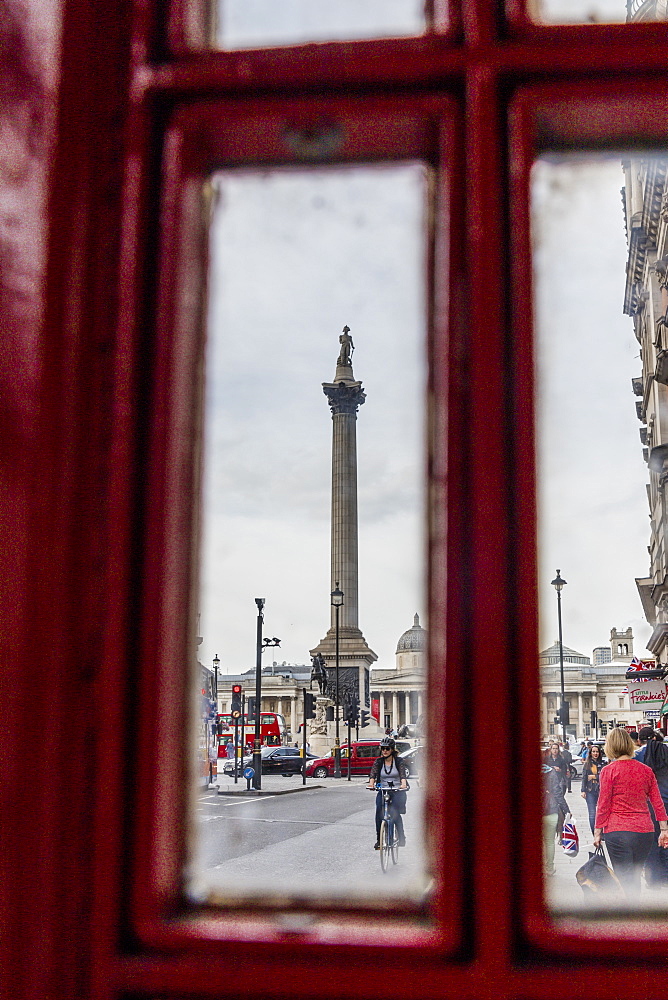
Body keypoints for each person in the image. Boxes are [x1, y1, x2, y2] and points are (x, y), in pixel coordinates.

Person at [593, 727, 668, 895]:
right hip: (643, 831)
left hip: (617, 830)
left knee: (624, 877)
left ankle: (629, 913)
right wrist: (664, 829)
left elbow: (603, 804)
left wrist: (597, 832)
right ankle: (634, 911)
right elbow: (658, 802)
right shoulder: (646, 771)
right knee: (634, 874)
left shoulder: (608, 771)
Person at [635, 726, 668, 886]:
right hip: (666, 801)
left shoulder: (637, 755)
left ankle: (654, 877)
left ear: (639, 740)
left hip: (649, 804)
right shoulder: (665, 750)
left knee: (652, 841)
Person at [367, 735, 408, 850]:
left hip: (397, 790)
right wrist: (371, 784)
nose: (384, 751)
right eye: (383, 748)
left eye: (387, 748)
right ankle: (379, 840)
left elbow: (402, 774)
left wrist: (403, 784)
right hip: (383, 789)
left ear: (392, 749)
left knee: (395, 813)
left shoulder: (398, 761)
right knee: (379, 812)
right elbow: (373, 774)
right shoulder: (379, 762)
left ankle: (401, 836)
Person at [543, 760, 569, 876]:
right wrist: (566, 810)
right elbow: (558, 793)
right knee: (549, 842)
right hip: (550, 810)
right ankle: (549, 868)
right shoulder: (551, 772)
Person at [580, 743, 607, 834]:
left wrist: (594, 776)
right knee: (592, 814)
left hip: (601, 790)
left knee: (602, 812)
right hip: (590, 790)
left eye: (597, 752)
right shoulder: (587, 764)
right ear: (591, 753)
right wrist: (583, 790)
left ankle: (601, 832)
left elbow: (604, 776)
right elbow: (584, 777)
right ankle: (594, 833)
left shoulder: (603, 763)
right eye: (593, 752)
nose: (595, 753)